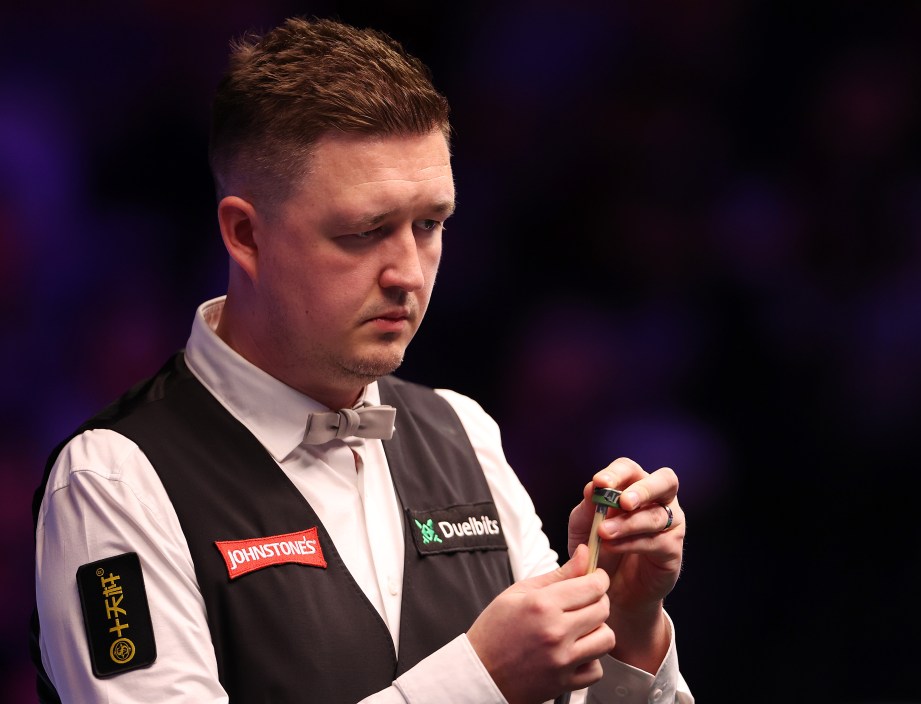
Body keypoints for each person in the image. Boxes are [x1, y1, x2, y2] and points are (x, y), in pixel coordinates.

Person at [32, 17, 693, 704]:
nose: (408, 271)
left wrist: (629, 619)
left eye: (430, 224)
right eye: (365, 231)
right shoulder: (113, 482)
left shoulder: (462, 433)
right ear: (245, 234)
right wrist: (478, 680)